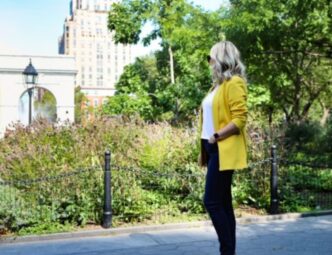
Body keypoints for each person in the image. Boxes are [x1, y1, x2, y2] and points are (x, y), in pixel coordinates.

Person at [198, 41, 248, 255]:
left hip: (221, 148)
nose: (209, 63)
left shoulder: (234, 83)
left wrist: (216, 137)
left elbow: (239, 119)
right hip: (211, 150)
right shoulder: (217, 85)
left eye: (211, 58)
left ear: (221, 58)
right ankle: (229, 252)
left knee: (211, 201)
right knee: (224, 204)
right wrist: (205, 147)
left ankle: (227, 251)